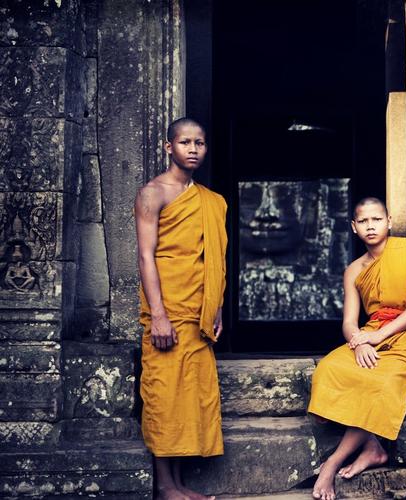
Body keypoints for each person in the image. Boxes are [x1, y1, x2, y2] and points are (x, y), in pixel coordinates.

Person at [307, 197, 406, 500]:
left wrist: (379, 336)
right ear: (354, 227)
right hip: (369, 335)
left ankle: (332, 463)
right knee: (330, 369)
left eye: (376, 219)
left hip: (405, 334)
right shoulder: (354, 270)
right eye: (363, 221)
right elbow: (349, 322)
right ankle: (372, 447)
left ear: (388, 221)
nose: (370, 226)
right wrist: (359, 341)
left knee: (379, 383)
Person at [135, 117, 227, 500]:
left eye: (200, 142)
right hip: (167, 306)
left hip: (197, 311)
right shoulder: (152, 194)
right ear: (168, 146)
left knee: (188, 395)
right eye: (185, 142)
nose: (193, 148)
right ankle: (164, 485)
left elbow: (213, 259)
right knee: (163, 393)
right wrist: (158, 313)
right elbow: (145, 256)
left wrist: (216, 307)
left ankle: (178, 483)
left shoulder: (211, 200)